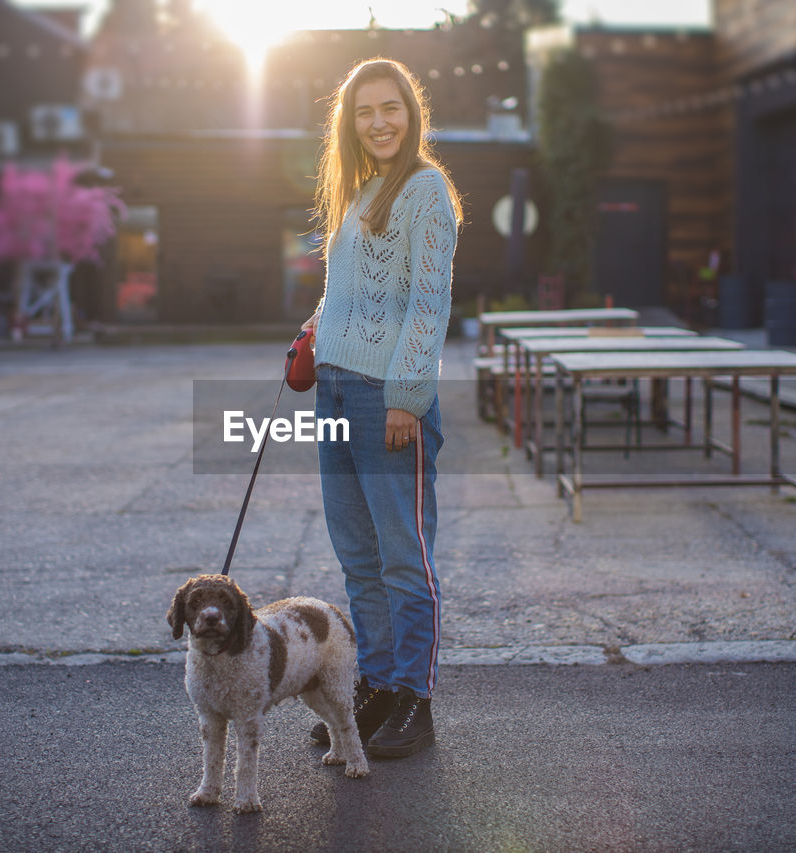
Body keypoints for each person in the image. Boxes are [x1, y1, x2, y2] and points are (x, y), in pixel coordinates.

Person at [301, 58, 462, 759]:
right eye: (365, 111)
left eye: (390, 107)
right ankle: (376, 686)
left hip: (383, 398)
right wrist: (313, 332)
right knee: (358, 557)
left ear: (411, 111)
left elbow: (426, 306)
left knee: (403, 556)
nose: (379, 122)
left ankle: (414, 701)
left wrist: (406, 395)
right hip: (335, 386)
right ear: (351, 122)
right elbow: (352, 294)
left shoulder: (424, 190)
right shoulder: (360, 191)